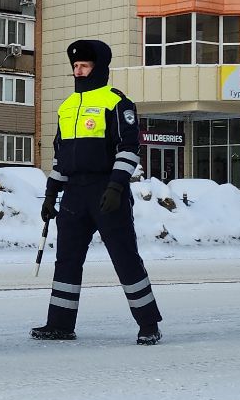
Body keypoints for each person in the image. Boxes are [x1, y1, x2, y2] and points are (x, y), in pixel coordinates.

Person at [32, 39, 164, 345]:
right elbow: (60, 156)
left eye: (84, 66)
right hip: (74, 195)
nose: (78, 71)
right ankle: (60, 325)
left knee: (124, 257)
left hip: (106, 191)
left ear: (98, 68)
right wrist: (52, 194)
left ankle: (149, 324)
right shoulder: (67, 106)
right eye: (75, 66)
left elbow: (129, 148)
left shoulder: (117, 102)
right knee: (66, 259)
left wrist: (117, 186)